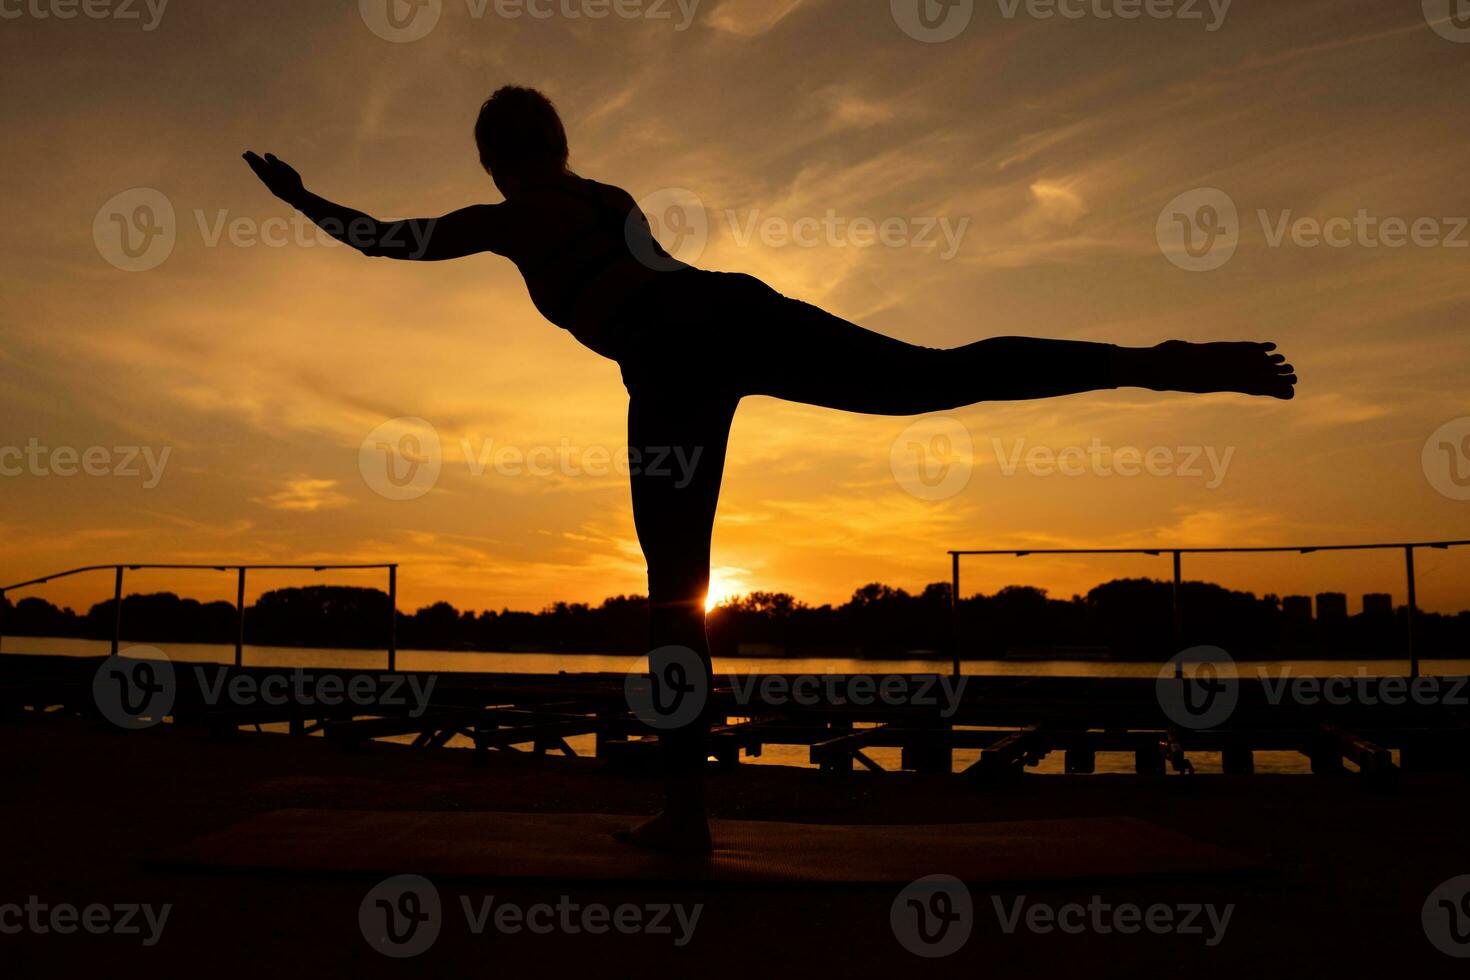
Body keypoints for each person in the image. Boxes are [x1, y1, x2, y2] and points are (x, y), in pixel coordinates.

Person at [244, 85, 1297, 854]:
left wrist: (300, 196)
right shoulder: (606, 194)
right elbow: (658, 276)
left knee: (675, 600)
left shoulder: (506, 217)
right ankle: (1153, 364)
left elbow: (382, 239)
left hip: (672, 363)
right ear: (558, 142)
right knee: (933, 377)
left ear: (488, 158)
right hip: (733, 312)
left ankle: (687, 813)